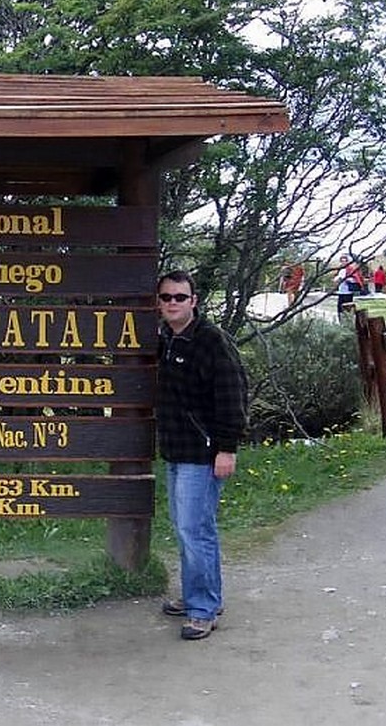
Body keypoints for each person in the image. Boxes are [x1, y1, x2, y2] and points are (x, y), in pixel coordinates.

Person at [156, 270, 248, 641]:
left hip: (203, 452)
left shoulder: (212, 341)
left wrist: (227, 448)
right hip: (176, 451)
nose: (172, 303)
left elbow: (232, 397)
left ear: (194, 301)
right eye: (166, 297)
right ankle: (201, 594)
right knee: (187, 529)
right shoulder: (167, 339)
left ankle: (203, 609)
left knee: (195, 530)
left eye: (180, 297)